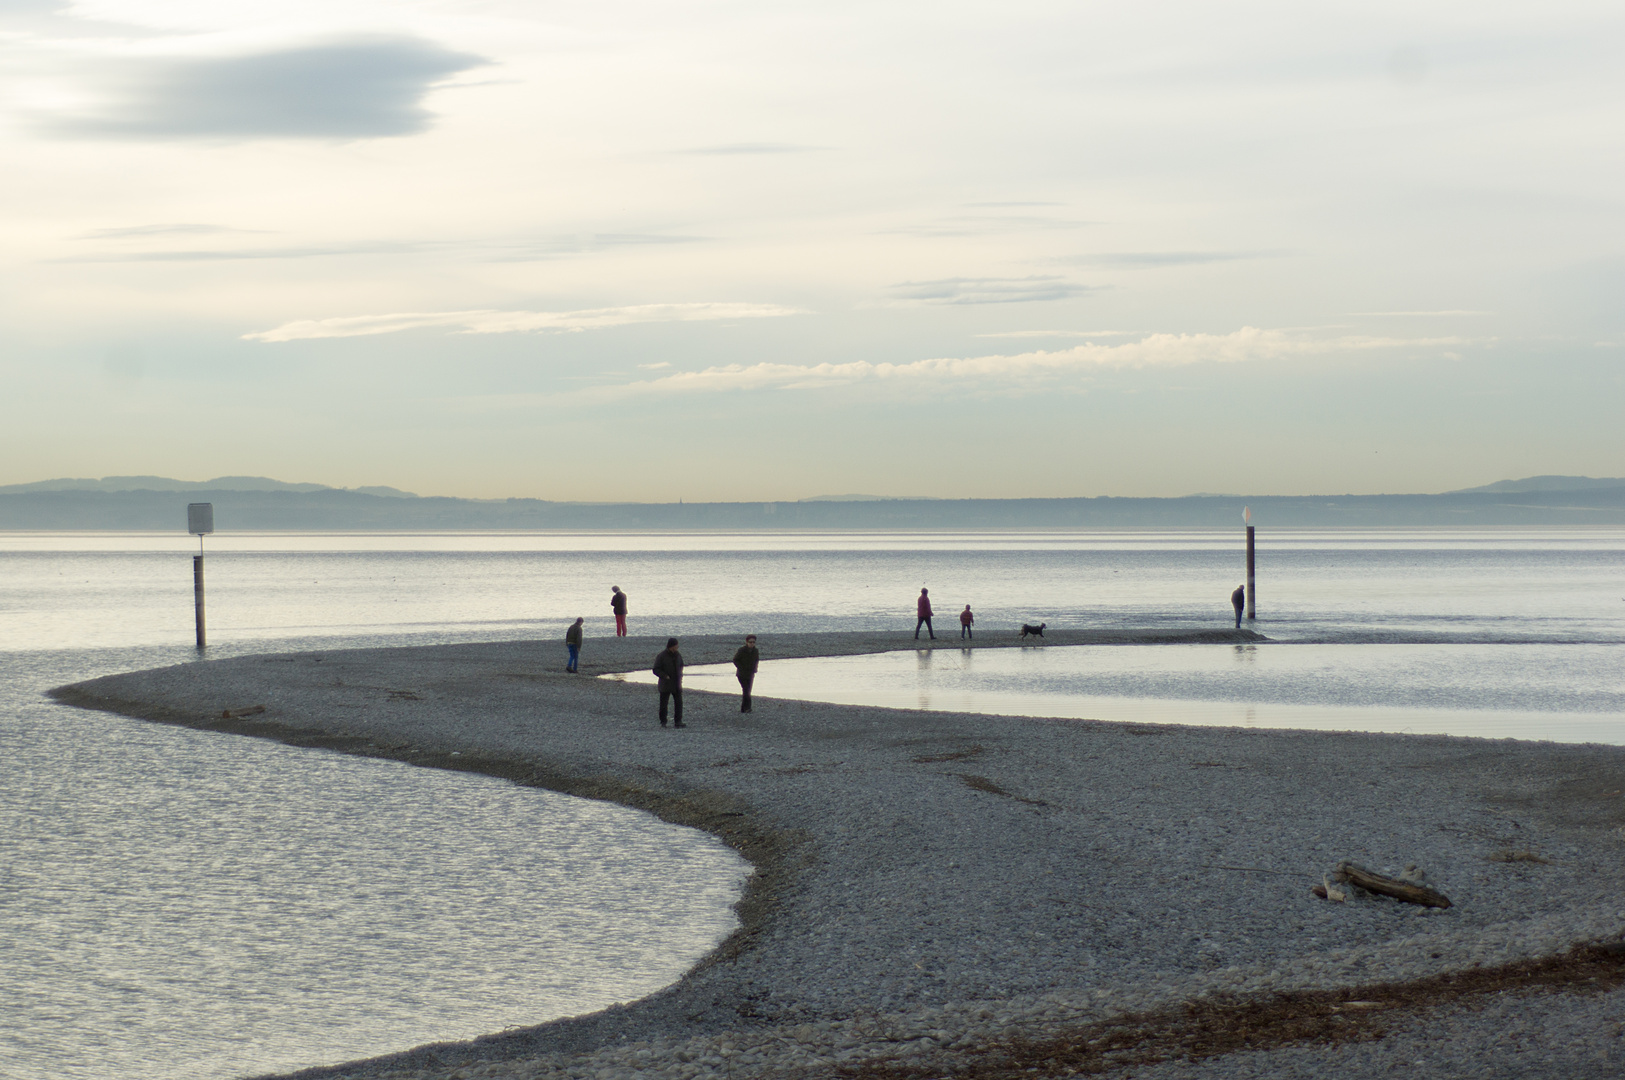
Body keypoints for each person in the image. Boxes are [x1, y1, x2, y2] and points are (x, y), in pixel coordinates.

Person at [653, 637, 685, 727]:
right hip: (665, 683)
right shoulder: (661, 656)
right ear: (671, 646)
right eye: (676, 645)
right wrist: (664, 676)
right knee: (663, 704)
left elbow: (681, 665)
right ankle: (663, 722)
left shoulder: (678, 655)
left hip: (676, 683)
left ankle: (678, 722)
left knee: (679, 703)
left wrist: (680, 675)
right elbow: (656, 669)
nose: (677, 647)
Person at [732, 634, 760, 713]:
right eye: (750, 642)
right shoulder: (742, 650)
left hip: (750, 674)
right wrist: (741, 668)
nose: (752, 644)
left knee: (748, 690)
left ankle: (743, 708)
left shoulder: (755, 651)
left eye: (753, 642)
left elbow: (756, 660)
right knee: (746, 690)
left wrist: (755, 668)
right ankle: (748, 708)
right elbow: (735, 659)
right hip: (741, 674)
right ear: (747, 642)